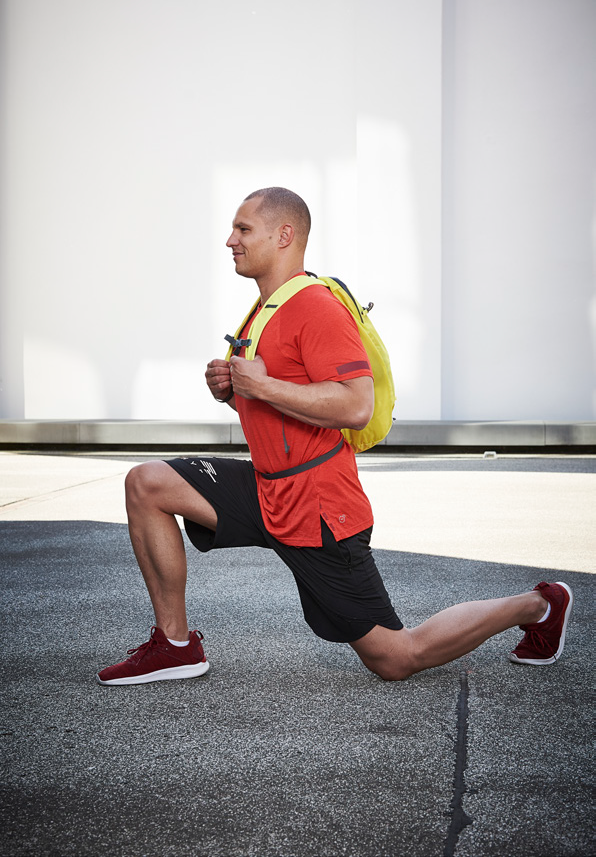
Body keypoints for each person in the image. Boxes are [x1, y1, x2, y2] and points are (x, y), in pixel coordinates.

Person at [96, 187, 573, 686]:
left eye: (243, 229)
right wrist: (233, 391)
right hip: (267, 488)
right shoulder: (264, 309)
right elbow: (281, 403)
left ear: (285, 235)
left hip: (320, 507)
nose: (230, 241)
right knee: (147, 483)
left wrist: (262, 383)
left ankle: (537, 605)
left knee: (394, 657)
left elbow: (355, 403)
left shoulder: (316, 307)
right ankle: (175, 646)